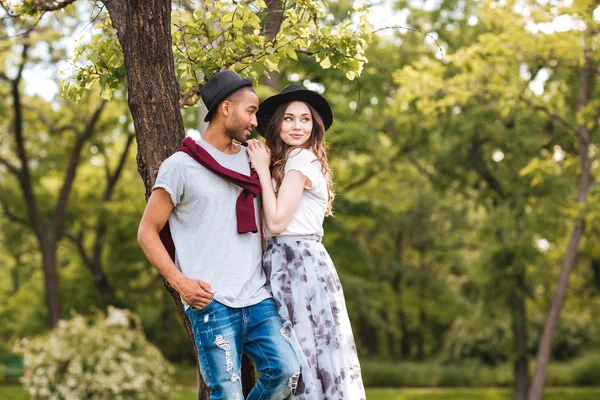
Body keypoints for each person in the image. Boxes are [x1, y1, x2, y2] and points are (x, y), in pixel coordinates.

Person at [137, 70, 300, 400]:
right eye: (251, 111)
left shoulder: (255, 160)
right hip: (212, 301)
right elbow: (147, 232)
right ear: (226, 108)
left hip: (257, 296)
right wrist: (180, 283)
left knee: (287, 371)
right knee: (227, 393)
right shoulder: (181, 165)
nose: (255, 121)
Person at [246, 85, 366, 399]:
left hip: (298, 262)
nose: (298, 127)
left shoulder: (300, 159)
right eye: (289, 119)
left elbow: (275, 222)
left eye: (305, 120)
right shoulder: (285, 162)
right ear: (277, 124)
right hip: (287, 260)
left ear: (314, 126)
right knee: (301, 355)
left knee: (304, 356)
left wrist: (260, 169)